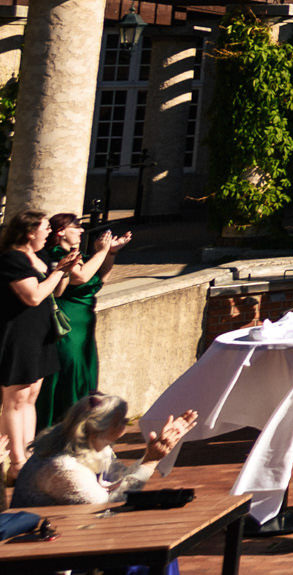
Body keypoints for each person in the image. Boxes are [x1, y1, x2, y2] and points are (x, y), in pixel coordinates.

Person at [11, 393, 197, 508]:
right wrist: (150, 461)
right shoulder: (63, 467)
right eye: (120, 422)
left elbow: (118, 481)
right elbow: (110, 503)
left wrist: (151, 456)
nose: (126, 424)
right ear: (94, 430)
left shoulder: (95, 446)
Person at [37, 215, 128, 429]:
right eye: (76, 227)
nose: (81, 231)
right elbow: (81, 278)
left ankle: (82, 429)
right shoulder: (57, 254)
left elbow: (98, 280)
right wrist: (102, 251)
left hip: (85, 325)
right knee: (70, 373)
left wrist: (111, 253)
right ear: (60, 231)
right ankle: (61, 428)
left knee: (85, 374)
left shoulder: (79, 255)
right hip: (68, 325)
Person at [0, 212, 67, 471]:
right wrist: (57, 272)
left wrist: (63, 272)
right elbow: (33, 296)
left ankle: (29, 456)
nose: (48, 232)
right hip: (18, 336)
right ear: (29, 232)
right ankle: (16, 463)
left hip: (40, 334)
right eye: (45, 227)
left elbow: (55, 292)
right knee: (15, 400)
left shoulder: (40, 258)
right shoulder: (11, 259)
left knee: (30, 396)